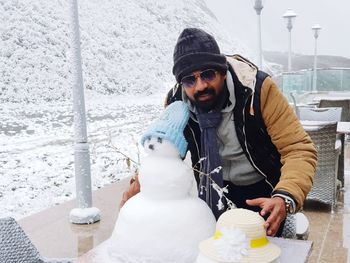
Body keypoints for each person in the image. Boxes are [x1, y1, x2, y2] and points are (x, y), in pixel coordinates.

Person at [120, 28, 317, 237]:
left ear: (222, 72)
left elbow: (298, 149)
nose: (200, 86)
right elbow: (165, 154)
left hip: (265, 189)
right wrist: (139, 186)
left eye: (208, 74)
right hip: (215, 192)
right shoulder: (177, 104)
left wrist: (284, 197)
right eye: (189, 80)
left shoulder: (257, 91)